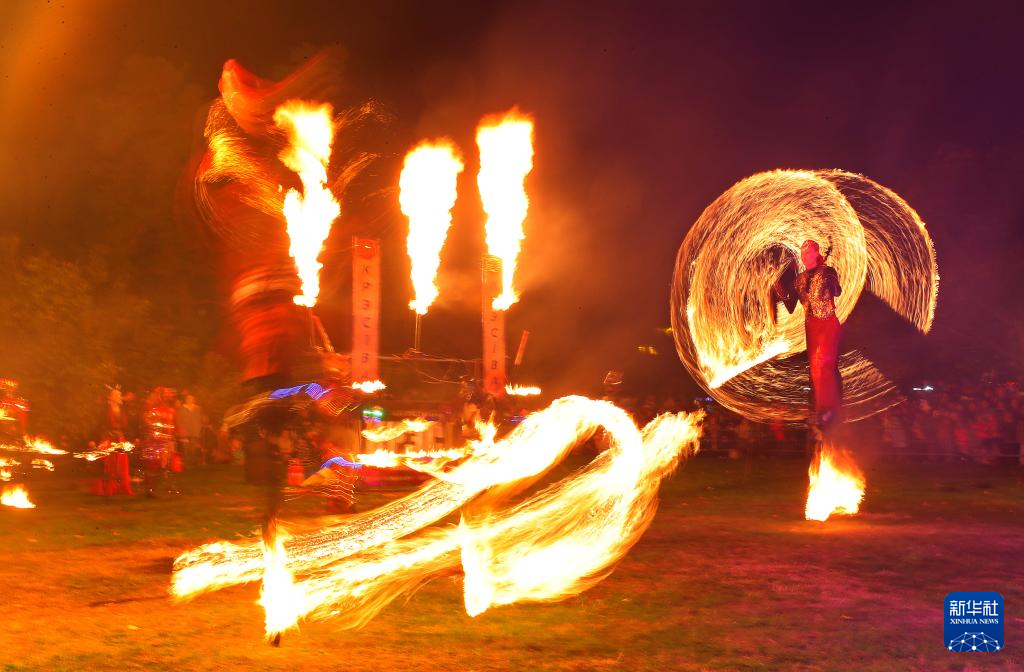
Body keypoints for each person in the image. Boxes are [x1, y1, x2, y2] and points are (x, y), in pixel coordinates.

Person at [774, 240, 843, 429]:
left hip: (827, 322)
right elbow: (790, 306)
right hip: (811, 327)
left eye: (808, 252)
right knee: (815, 370)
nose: (804, 256)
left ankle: (830, 408)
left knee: (824, 363)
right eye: (802, 253)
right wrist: (779, 288)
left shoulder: (827, 271)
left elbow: (837, 291)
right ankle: (823, 410)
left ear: (816, 252)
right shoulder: (799, 280)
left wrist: (831, 282)